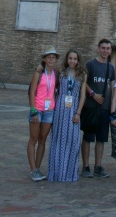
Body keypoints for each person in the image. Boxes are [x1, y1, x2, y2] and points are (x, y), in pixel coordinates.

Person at [47, 49, 87, 182]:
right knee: (58, 140)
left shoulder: (82, 75)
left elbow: (83, 96)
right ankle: (57, 172)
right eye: (70, 58)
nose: (72, 61)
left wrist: (78, 113)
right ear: (67, 59)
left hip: (74, 108)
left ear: (78, 60)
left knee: (73, 140)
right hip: (60, 109)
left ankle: (69, 173)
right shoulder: (61, 72)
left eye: (75, 59)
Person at [81, 38, 116, 179]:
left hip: (104, 108)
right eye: (103, 48)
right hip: (90, 106)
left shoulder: (111, 67)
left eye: (108, 48)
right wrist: (92, 94)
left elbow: (112, 87)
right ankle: (85, 166)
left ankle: (98, 166)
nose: (105, 51)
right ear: (98, 48)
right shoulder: (90, 64)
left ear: (110, 50)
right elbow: (84, 82)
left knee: (101, 139)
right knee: (88, 137)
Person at [28, 47, 59, 181]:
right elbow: (32, 92)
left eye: (53, 57)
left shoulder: (56, 74)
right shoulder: (38, 73)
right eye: (49, 57)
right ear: (44, 59)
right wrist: (33, 110)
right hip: (38, 110)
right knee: (33, 139)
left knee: (42, 140)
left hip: (49, 111)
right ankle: (33, 169)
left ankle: (38, 169)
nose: (51, 59)